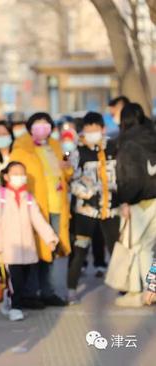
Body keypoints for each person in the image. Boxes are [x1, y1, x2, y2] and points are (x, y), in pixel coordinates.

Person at [10, 112, 72, 308]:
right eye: (37, 124)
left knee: (51, 250)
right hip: (34, 208)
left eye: (46, 124)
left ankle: (48, 292)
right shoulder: (22, 148)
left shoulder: (55, 146)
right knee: (34, 252)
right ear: (30, 127)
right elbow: (14, 175)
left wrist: (66, 168)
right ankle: (30, 293)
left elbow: (66, 174)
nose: (42, 127)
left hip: (56, 206)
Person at [0, 161, 58, 321]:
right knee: (14, 280)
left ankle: (8, 302)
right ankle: (15, 307)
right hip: (8, 249)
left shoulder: (29, 198)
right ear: (6, 176)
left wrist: (50, 237)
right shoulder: (0, 197)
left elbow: (38, 220)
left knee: (23, 279)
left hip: (27, 249)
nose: (19, 177)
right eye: (15, 173)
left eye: (22, 173)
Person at [66, 112, 120, 304]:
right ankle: (71, 288)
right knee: (80, 249)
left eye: (95, 130)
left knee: (116, 249)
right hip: (86, 210)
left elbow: (121, 174)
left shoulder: (114, 147)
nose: (91, 134)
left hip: (111, 208)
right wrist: (86, 192)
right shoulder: (77, 152)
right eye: (88, 130)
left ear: (102, 129)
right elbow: (69, 180)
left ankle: (123, 286)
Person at [113, 103, 156, 307]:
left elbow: (129, 177)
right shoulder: (152, 136)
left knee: (139, 247)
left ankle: (142, 291)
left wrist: (125, 200)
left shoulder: (128, 142)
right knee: (149, 247)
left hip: (141, 202)